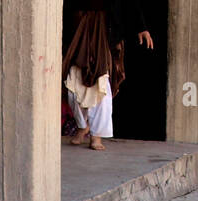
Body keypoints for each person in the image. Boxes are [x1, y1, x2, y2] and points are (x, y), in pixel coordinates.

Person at [63, 1, 154, 151]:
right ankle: (82, 126)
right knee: (73, 82)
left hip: (104, 31)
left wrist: (141, 27)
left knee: (101, 82)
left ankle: (96, 135)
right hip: (80, 27)